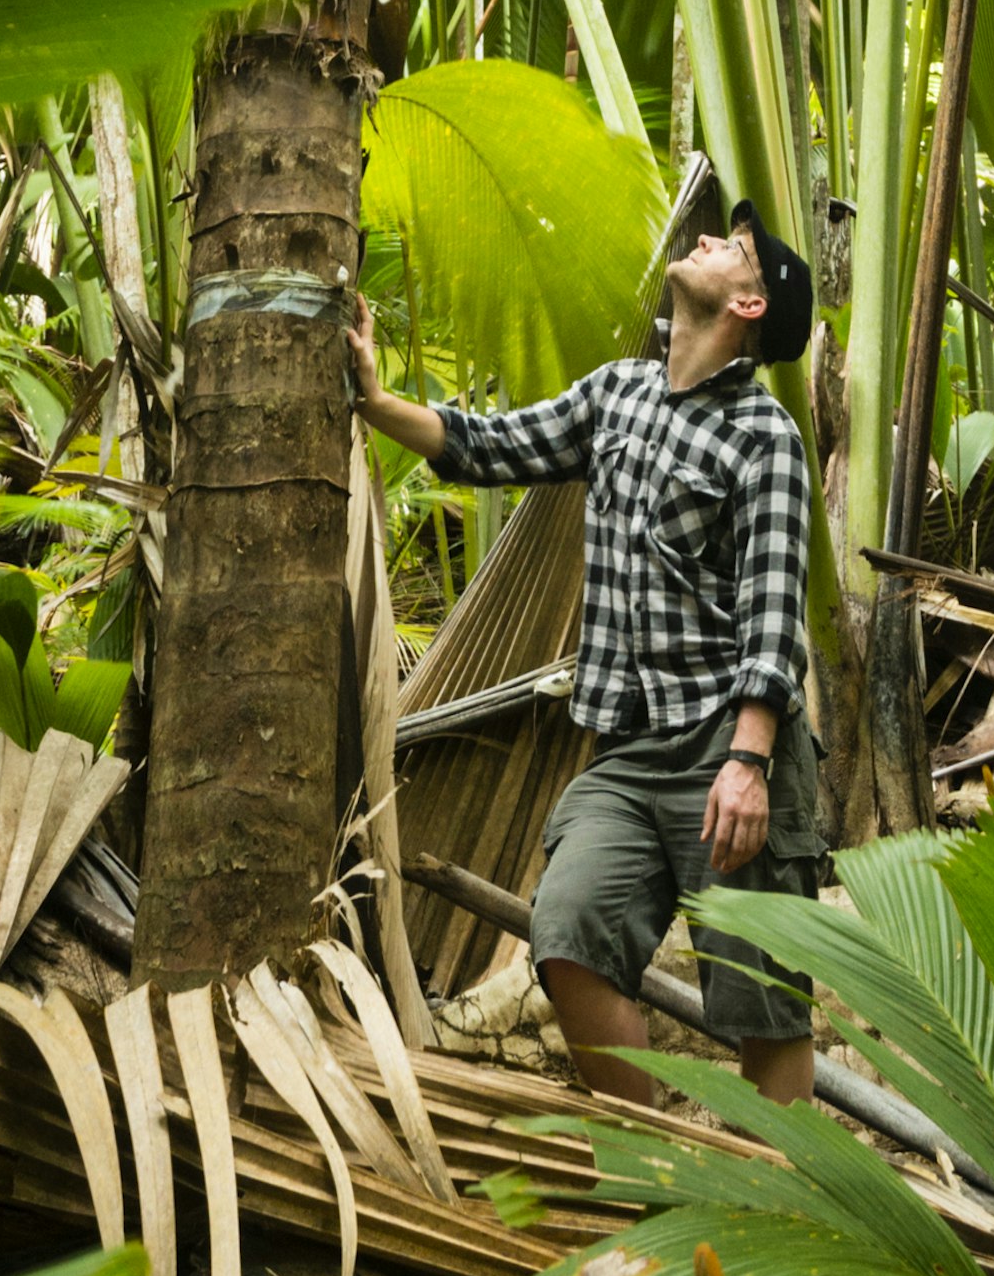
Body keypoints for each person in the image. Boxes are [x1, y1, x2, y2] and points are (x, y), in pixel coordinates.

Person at [348, 197, 827, 1108]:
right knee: (568, 930)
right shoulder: (617, 394)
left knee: (765, 1004)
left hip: (728, 748)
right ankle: (651, 1174)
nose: (712, 240)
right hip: (629, 752)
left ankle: (772, 1214)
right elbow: (486, 445)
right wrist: (373, 400)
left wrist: (748, 764)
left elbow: (771, 619)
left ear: (750, 306)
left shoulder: (765, 438)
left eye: (735, 248)